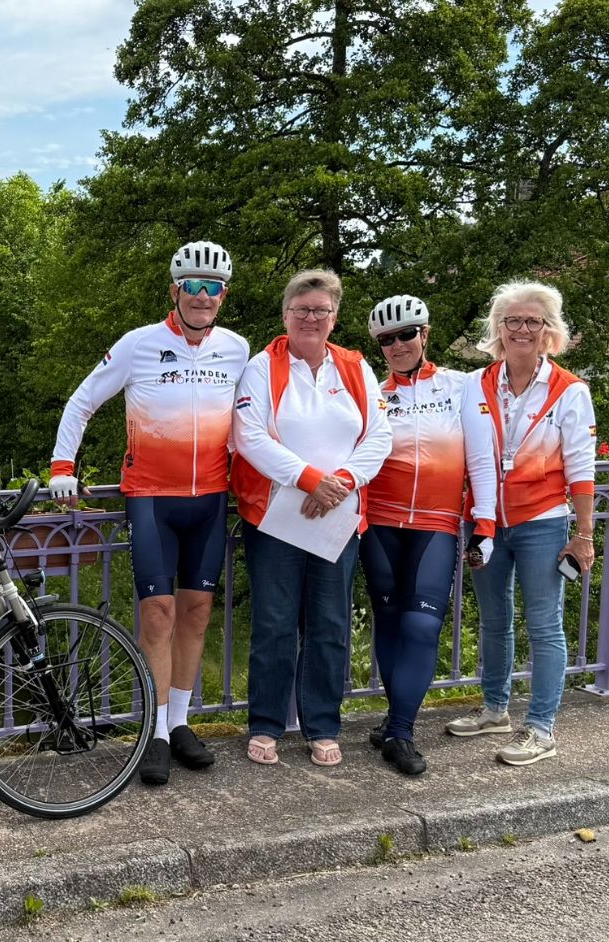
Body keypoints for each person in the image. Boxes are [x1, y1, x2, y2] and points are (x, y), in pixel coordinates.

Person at [49, 241, 250, 785]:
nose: (203, 297)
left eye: (213, 288)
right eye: (193, 286)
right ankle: (155, 731)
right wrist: (62, 466)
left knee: (196, 614)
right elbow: (82, 401)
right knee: (157, 615)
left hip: (211, 498)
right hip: (152, 499)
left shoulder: (236, 349)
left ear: (223, 296)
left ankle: (182, 724)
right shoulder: (139, 345)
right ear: (175, 290)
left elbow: (255, 421)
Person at [231, 269, 391, 767]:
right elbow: (248, 436)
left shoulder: (355, 366)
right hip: (275, 518)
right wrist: (308, 480)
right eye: (302, 309)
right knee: (275, 623)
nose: (311, 318)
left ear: (334, 317)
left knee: (329, 623)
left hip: (336, 517)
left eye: (320, 310)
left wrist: (339, 482)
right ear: (285, 315)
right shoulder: (263, 366)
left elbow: (380, 436)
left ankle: (322, 724)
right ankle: (266, 724)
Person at [454, 280, 597, 766]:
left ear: (548, 331)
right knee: (493, 621)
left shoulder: (570, 390)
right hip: (486, 522)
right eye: (511, 320)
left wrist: (583, 535)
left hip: (543, 521)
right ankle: (495, 709)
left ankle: (540, 727)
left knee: (544, 626)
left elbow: (581, 466)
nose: (520, 329)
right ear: (497, 328)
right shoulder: (474, 384)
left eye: (531, 321)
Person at [358, 295, 468, 777]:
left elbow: (483, 456)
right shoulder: (372, 395)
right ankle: (395, 722)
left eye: (407, 334)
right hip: (380, 524)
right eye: (387, 339)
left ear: (425, 335)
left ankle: (400, 731)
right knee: (389, 622)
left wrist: (482, 520)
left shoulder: (461, 387)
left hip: (436, 525)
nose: (398, 344)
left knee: (423, 626)